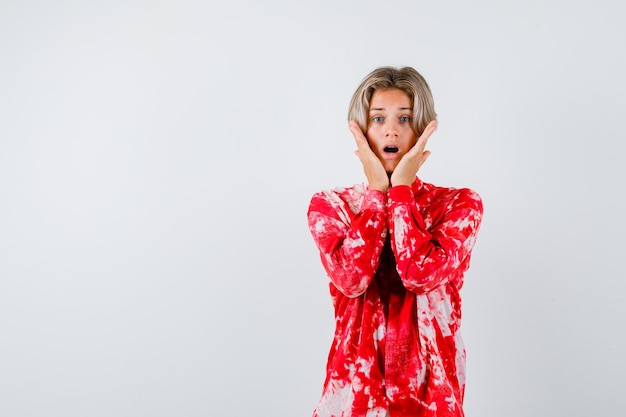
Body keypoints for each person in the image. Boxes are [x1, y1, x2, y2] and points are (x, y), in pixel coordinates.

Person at [307, 66, 483, 417]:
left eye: (405, 119)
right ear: (360, 131)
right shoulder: (331, 206)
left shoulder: (458, 205)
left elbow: (418, 275)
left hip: (430, 396)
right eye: (378, 119)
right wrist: (376, 197)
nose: (391, 129)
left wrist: (401, 192)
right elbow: (352, 280)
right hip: (355, 395)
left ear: (422, 130)